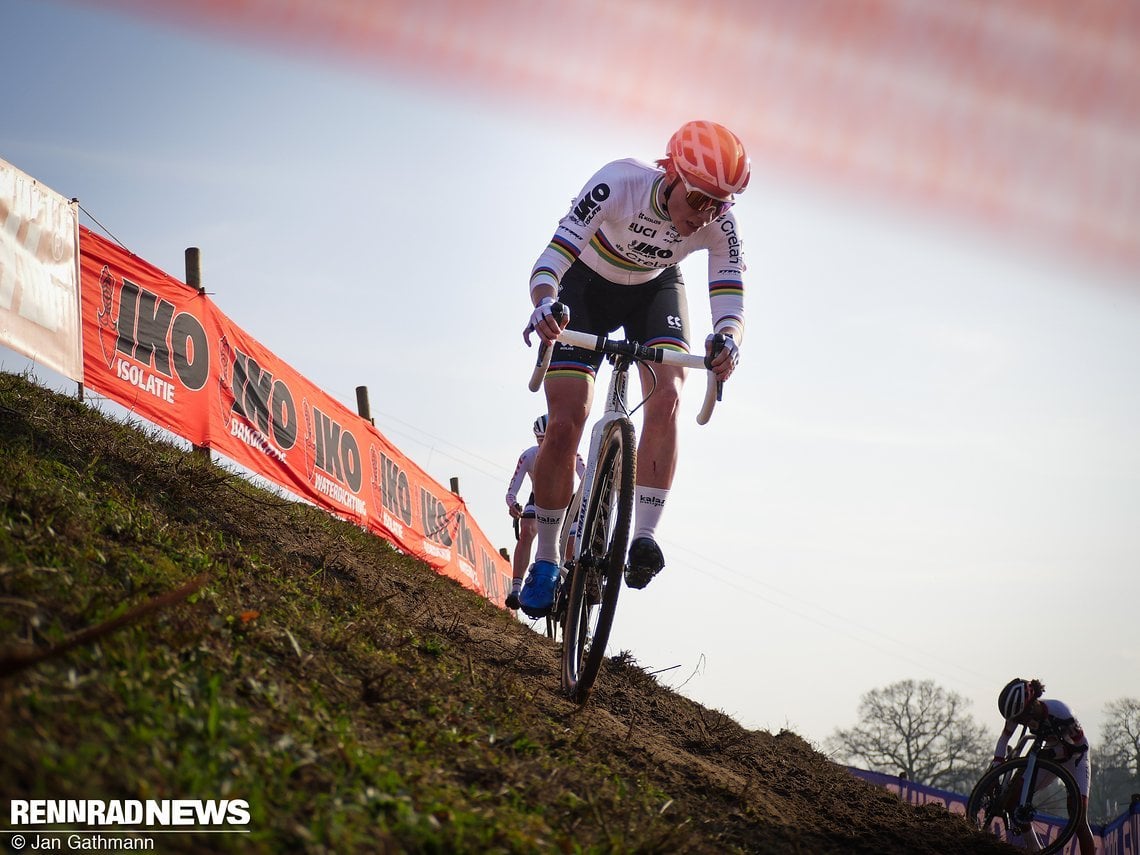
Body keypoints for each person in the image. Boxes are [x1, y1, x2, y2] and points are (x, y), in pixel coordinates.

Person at [518, 120, 749, 618]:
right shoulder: (619, 182)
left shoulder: (718, 221)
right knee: (565, 422)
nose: (708, 213)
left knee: (669, 393)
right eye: (701, 200)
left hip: (652, 289)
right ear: (674, 177)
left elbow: (729, 296)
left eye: (721, 204)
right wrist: (545, 304)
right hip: (586, 287)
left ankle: (643, 536)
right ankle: (547, 557)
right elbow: (551, 260)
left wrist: (728, 340)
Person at [993, 678, 1096, 855]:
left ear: (1031, 705)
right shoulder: (1018, 711)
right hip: (1049, 755)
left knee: (1078, 818)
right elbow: (1004, 739)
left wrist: (1053, 753)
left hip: (1075, 757)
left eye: (1022, 718)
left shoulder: (1061, 712)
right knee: (1013, 800)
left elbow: (1081, 747)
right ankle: (1035, 849)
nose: (1021, 722)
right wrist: (995, 770)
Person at [504, 415, 584, 611]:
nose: (544, 445)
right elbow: (511, 491)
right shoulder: (529, 456)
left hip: (569, 500)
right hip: (538, 496)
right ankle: (516, 590)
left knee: (571, 546)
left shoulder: (573, 453)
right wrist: (513, 504)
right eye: (540, 441)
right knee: (527, 531)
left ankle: (568, 581)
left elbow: (587, 482)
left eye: (547, 439)